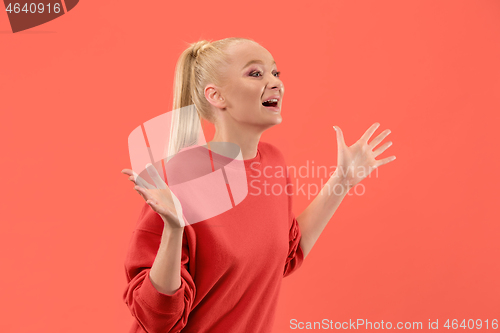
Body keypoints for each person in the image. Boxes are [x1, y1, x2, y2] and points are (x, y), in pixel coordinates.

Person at [121, 37, 396, 332]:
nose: (276, 82)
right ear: (216, 96)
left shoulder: (273, 164)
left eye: (275, 73)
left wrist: (342, 181)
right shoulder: (180, 175)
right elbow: (156, 320)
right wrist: (173, 233)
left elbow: (285, 256)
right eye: (256, 73)